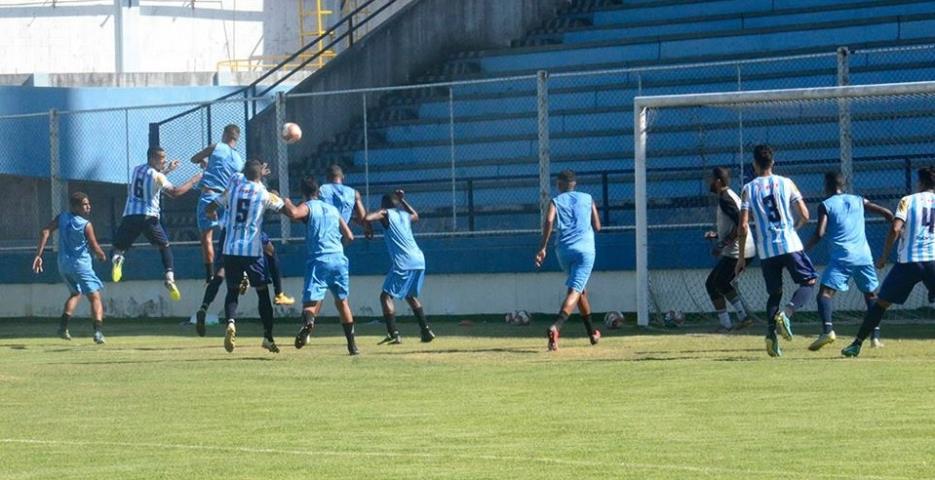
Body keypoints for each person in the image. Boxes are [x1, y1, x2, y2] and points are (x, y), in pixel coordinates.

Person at [842, 167, 935, 357]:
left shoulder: (907, 200)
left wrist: (884, 256)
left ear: (921, 183)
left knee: (881, 303)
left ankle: (856, 344)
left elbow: (895, 228)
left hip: (909, 262)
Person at [736, 145, 817, 357]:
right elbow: (806, 215)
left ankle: (771, 337)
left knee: (774, 293)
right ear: (772, 162)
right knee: (808, 281)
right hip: (789, 244)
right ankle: (787, 313)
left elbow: (743, 226)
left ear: (754, 164)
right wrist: (794, 228)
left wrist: (741, 258)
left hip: (766, 250)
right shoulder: (786, 183)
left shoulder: (748, 188)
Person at [205, 160, 289, 353]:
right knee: (262, 293)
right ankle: (268, 336)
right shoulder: (264, 194)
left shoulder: (233, 188)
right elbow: (287, 210)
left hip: (230, 250)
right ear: (260, 175)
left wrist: (211, 213)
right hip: (252, 252)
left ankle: (231, 322)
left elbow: (210, 207)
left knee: (232, 291)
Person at [805, 171, 892, 351]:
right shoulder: (859, 200)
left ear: (827, 186)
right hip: (864, 256)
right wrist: (894, 222)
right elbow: (885, 212)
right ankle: (875, 338)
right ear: (843, 185)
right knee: (871, 294)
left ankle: (827, 331)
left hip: (843, 256)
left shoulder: (826, 205)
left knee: (825, 294)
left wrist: (805, 250)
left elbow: (820, 233)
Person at [111, 146, 201, 300]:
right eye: (161, 158)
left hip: (131, 215)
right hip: (149, 218)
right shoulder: (158, 177)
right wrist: (194, 180)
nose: (164, 161)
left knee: (118, 248)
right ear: (152, 159)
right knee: (164, 246)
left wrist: (167, 170)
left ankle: (118, 260)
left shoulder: (136, 170)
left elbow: (152, 178)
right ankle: (169, 278)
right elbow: (175, 192)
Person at [289, 177, 359, 355]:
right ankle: (352, 345)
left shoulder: (308, 206)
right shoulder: (333, 210)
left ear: (303, 193)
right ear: (319, 192)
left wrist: (285, 201)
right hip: (339, 258)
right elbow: (350, 236)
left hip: (319, 259)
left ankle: (309, 323)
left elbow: (294, 214)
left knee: (309, 304)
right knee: (343, 303)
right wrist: (337, 249)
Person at [534, 170, 601, 351]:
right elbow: (597, 226)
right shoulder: (588, 198)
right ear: (574, 184)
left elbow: (548, 221)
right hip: (585, 250)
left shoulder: (555, 201)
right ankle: (556, 326)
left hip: (563, 250)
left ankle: (592, 334)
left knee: (580, 291)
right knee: (575, 290)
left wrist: (542, 247)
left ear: (560, 185)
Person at [33, 192, 107, 344]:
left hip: (64, 264)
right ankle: (98, 332)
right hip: (81, 265)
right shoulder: (86, 225)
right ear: (75, 207)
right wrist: (101, 255)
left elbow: (45, 231)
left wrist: (38, 255)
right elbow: (94, 246)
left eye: (88, 204)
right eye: (84, 204)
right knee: (95, 297)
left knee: (75, 293)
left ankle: (62, 328)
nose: (88, 207)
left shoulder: (62, 218)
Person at [364, 190, 435, 344]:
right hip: (419, 260)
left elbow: (367, 217)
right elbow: (416, 215)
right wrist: (404, 201)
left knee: (385, 296)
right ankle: (426, 331)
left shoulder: (386, 213)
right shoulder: (404, 215)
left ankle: (393, 333)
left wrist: (375, 217)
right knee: (410, 296)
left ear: (384, 205)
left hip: (404, 261)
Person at [704, 166, 756, 332]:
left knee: (716, 283)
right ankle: (737, 319)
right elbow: (735, 223)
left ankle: (732, 322)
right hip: (738, 249)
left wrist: (723, 243)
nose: (709, 183)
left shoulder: (726, 198)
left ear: (718, 182)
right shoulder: (728, 196)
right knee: (717, 283)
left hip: (739, 250)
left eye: (711, 180)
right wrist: (718, 236)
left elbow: (742, 224)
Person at [191, 124, 244, 283]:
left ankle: (210, 276)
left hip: (209, 195)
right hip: (226, 199)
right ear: (237, 138)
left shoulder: (216, 147)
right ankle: (240, 270)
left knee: (207, 238)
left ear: (225, 134)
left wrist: (203, 161)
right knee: (230, 237)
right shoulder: (239, 160)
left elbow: (194, 158)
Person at [319, 164, 373, 238]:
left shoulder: (322, 190)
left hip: (322, 235)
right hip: (341, 235)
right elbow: (362, 218)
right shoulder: (353, 193)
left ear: (327, 178)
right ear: (343, 177)